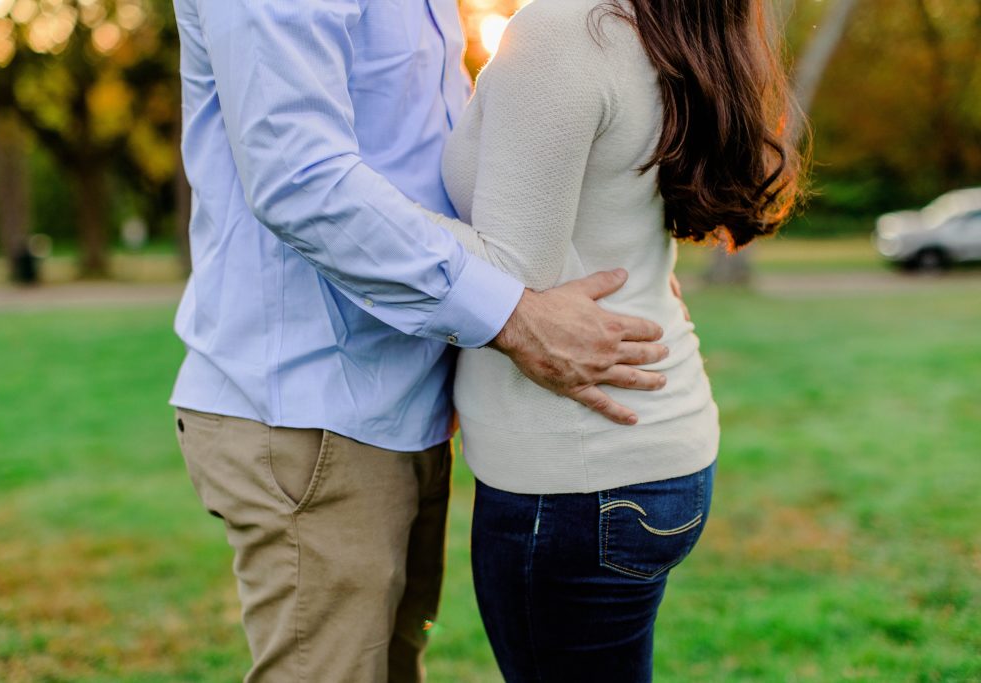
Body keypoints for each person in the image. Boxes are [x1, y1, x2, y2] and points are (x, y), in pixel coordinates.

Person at [168, 1, 677, 682]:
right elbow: (302, 180)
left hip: (397, 396)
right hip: (310, 404)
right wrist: (514, 317)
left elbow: (425, 155)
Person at [419, 0, 802, 680]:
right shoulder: (673, 27)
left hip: (576, 474)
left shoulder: (566, 29)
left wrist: (356, 202)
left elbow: (511, 270)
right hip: (661, 446)